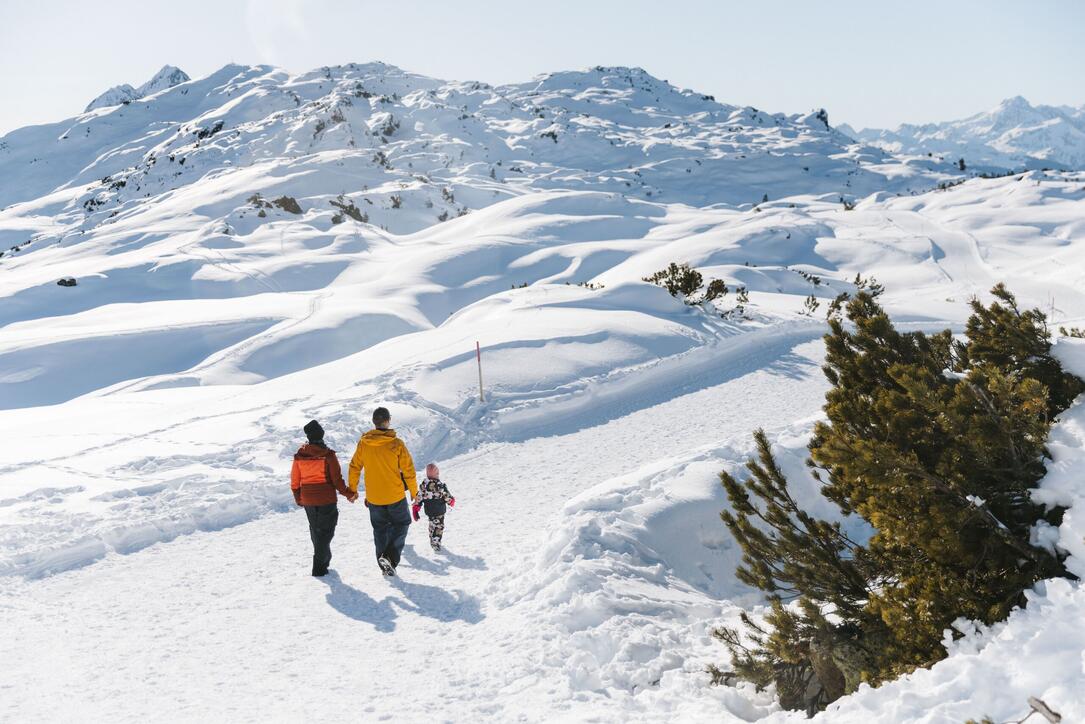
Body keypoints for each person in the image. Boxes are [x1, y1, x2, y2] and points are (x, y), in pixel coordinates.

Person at [348, 407, 417, 577]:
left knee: (380, 530)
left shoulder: (364, 443)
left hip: (374, 498)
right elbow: (408, 470)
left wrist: (353, 489)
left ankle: (384, 564)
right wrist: (414, 492)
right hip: (395, 495)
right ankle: (390, 558)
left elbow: (355, 466)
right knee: (402, 523)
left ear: (374, 422)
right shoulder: (396, 444)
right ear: (388, 421)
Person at [290, 419, 357, 577]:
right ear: (321, 435)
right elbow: (337, 481)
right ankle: (319, 567)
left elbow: (294, 481)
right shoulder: (328, 455)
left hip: (308, 499)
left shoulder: (300, 456)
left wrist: (298, 498)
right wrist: (349, 494)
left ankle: (323, 560)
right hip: (326, 499)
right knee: (326, 532)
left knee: (316, 531)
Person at [412, 462, 456, 552]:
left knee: (432, 525)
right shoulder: (440, 486)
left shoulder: (423, 486)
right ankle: (436, 543)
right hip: (439, 512)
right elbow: (446, 496)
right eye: (437, 474)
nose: (438, 475)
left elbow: (419, 497)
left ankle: (432, 539)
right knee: (439, 527)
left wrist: (416, 508)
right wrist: (451, 501)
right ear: (436, 474)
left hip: (429, 512)